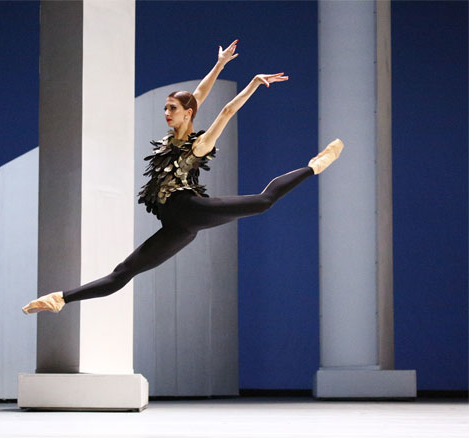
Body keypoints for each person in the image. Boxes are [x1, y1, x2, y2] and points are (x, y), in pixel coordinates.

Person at [22, 39, 343, 315]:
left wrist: (253, 84)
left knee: (263, 202)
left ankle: (313, 166)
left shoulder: (199, 145)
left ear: (186, 114)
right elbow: (199, 94)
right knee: (123, 273)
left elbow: (226, 112)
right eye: (166, 107)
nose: (166, 113)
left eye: (172, 108)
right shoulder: (170, 139)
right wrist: (219, 65)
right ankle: (59, 299)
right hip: (177, 227)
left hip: (189, 209)